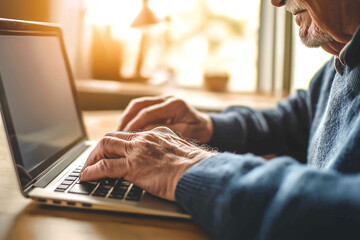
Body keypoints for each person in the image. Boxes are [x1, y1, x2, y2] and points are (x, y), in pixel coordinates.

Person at [81, 0, 360, 239]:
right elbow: (300, 120)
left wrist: (188, 169)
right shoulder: (344, 59)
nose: (275, 2)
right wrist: (210, 128)